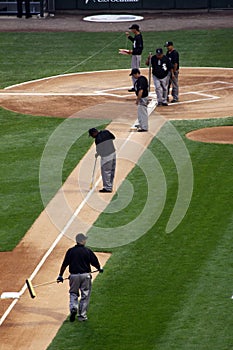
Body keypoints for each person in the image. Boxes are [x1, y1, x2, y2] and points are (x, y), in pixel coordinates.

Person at [57, 233, 103, 322]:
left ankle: (74, 306)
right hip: (85, 276)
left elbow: (64, 264)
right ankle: (82, 316)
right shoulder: (87, 251)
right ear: (81, 241)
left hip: (73, 276)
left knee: (73, 293)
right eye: (84, 239)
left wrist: (60, 275)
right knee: (85, 295)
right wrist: (99, 268)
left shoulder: (70, 251)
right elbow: (94, 262)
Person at [88, 127, 116, 193]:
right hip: (113, 153)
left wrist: (98, 154)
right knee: (112, 170)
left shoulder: (97, 139)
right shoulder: (106, 132)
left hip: (106, 156)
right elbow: (113, 137)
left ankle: (107, 188)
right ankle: (110, 186)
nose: (92, 137)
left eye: (92, 135)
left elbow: (100, 150)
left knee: (106, 171)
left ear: (94, 133)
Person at [125, 24, 143, 92]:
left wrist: (132, 51)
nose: (131, 30)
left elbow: (140, 49)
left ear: (135, 29)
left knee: (136, 71)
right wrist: (129, 37)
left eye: (132, 29)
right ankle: (135, 85)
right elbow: (135, 42)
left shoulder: (139, 37)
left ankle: (138, 85)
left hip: (136, 56)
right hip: (134, 55)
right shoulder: (136, 36)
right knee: (133, 71)